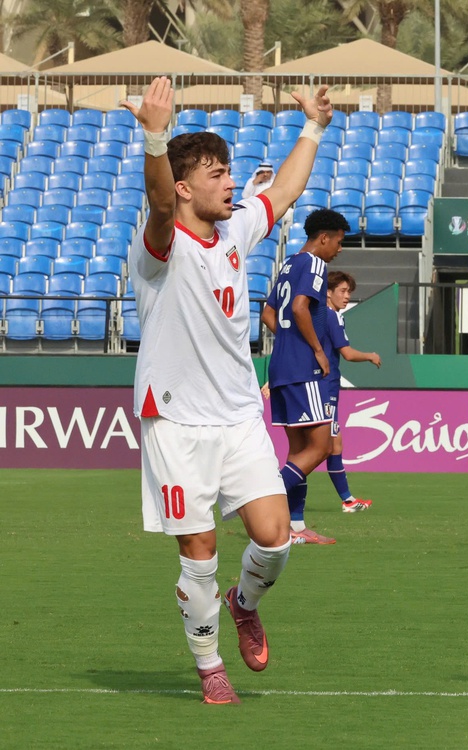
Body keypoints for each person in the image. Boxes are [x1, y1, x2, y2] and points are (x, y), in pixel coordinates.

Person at [123, 77, 332, 704]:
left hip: (238, 414)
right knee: (201, 551)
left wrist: (314, 127)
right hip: (177, 421)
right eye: (217, 174)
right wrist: (156, 137)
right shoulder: (160, 246)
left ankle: (245, 604)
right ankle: (211, 667)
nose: (230, 183)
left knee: (274, 538)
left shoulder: (236, 231)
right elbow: (160, 205)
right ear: (187, 186)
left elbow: (287, 189)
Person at [261, 209, 349, 545]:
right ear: (323, 237)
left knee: (299, 450)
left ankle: (294, 528)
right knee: (322, 447)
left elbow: (269, 312)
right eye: (338, 242)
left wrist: (289, 341)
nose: (339, 249)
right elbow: (299, 307)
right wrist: (314, 349)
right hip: (302, 369)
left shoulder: (288, 264)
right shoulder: (314, 264)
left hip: (281, 366)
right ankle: (264, 505)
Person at [322, 270, 382, 512]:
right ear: (328, 292)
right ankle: (279, 492)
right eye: (343, 291)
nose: (347, 296)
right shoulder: (331, 317)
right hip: (324, 389)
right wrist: (370, 355)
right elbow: (346, 353)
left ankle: (348, 500)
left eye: (349, 292)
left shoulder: (320, 316)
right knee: (321, 449)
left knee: (333, 446)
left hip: (325, 387)